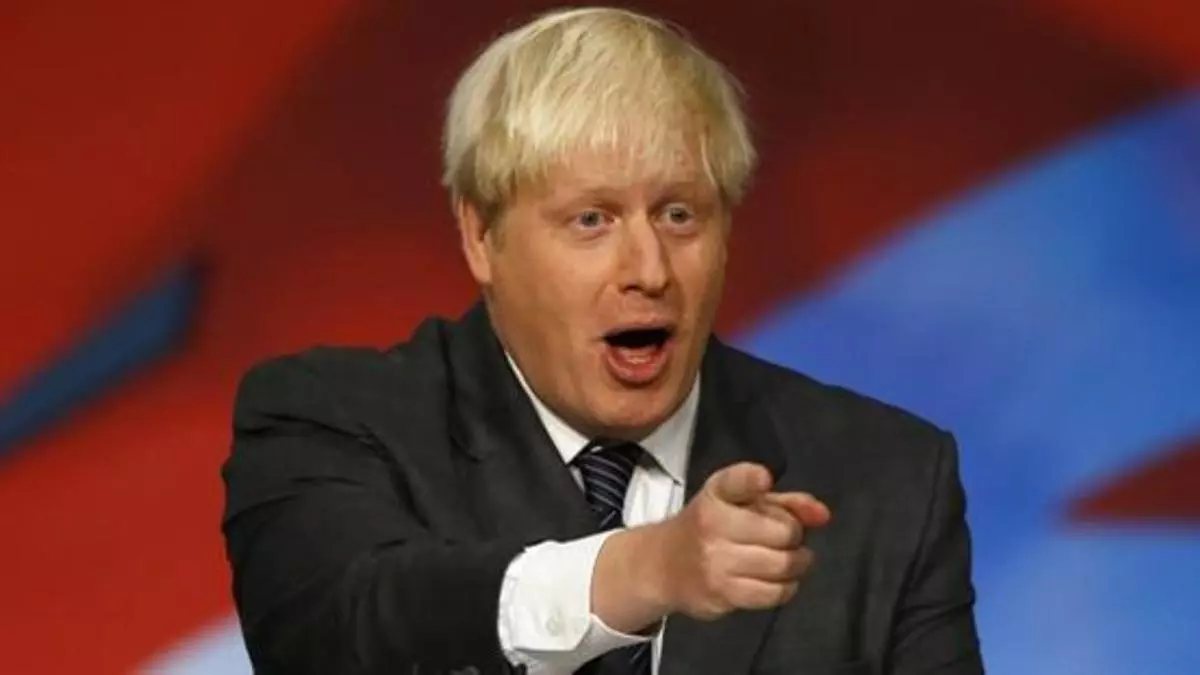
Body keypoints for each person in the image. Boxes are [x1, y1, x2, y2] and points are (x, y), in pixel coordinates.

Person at [221, 6, 983, 675]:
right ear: (481, 234)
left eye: (680, 214)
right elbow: (334, 627)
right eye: (592, 219)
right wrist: (648, 568)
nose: (649, 269)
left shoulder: (890, 477)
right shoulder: (332, 421)